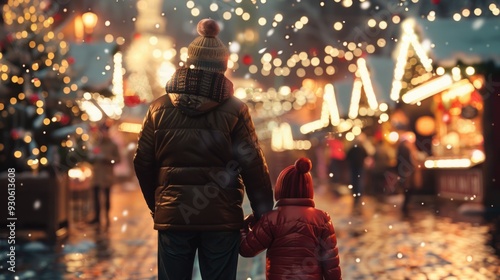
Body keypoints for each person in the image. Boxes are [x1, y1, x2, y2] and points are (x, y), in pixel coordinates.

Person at [133, 18, 274, 280]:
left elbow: (142, 161)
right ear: (222, 67)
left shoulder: (158, 107)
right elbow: (252, 162)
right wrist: (263, 212)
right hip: (221, 217)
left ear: (189, 62)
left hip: (175, 217)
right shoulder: (235, 110)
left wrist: (160, 205)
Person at [240, 158, 342, 280]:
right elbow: (331, 264)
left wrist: (244, 227)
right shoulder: (322, 219)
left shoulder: (271, 219)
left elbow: (247, 250)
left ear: (281, 188)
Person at [89, 124, 121, 227]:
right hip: (96, 176)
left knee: (107, 198)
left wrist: (106, 158)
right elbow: (91, 159)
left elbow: (117, 160)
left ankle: (106, 217)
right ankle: (97, 218)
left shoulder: (113, 145)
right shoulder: (96, 143)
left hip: (107, 176)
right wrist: (92, 157)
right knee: (95, 198)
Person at [345, 137, 368, 211]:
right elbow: (366, 155)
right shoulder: (362, 148)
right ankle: (358, 194)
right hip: (360, 167)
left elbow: (347, 156)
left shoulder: (352, 148)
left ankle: (355, 193)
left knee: (354, 180)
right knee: (359, 180)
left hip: (353, 167)